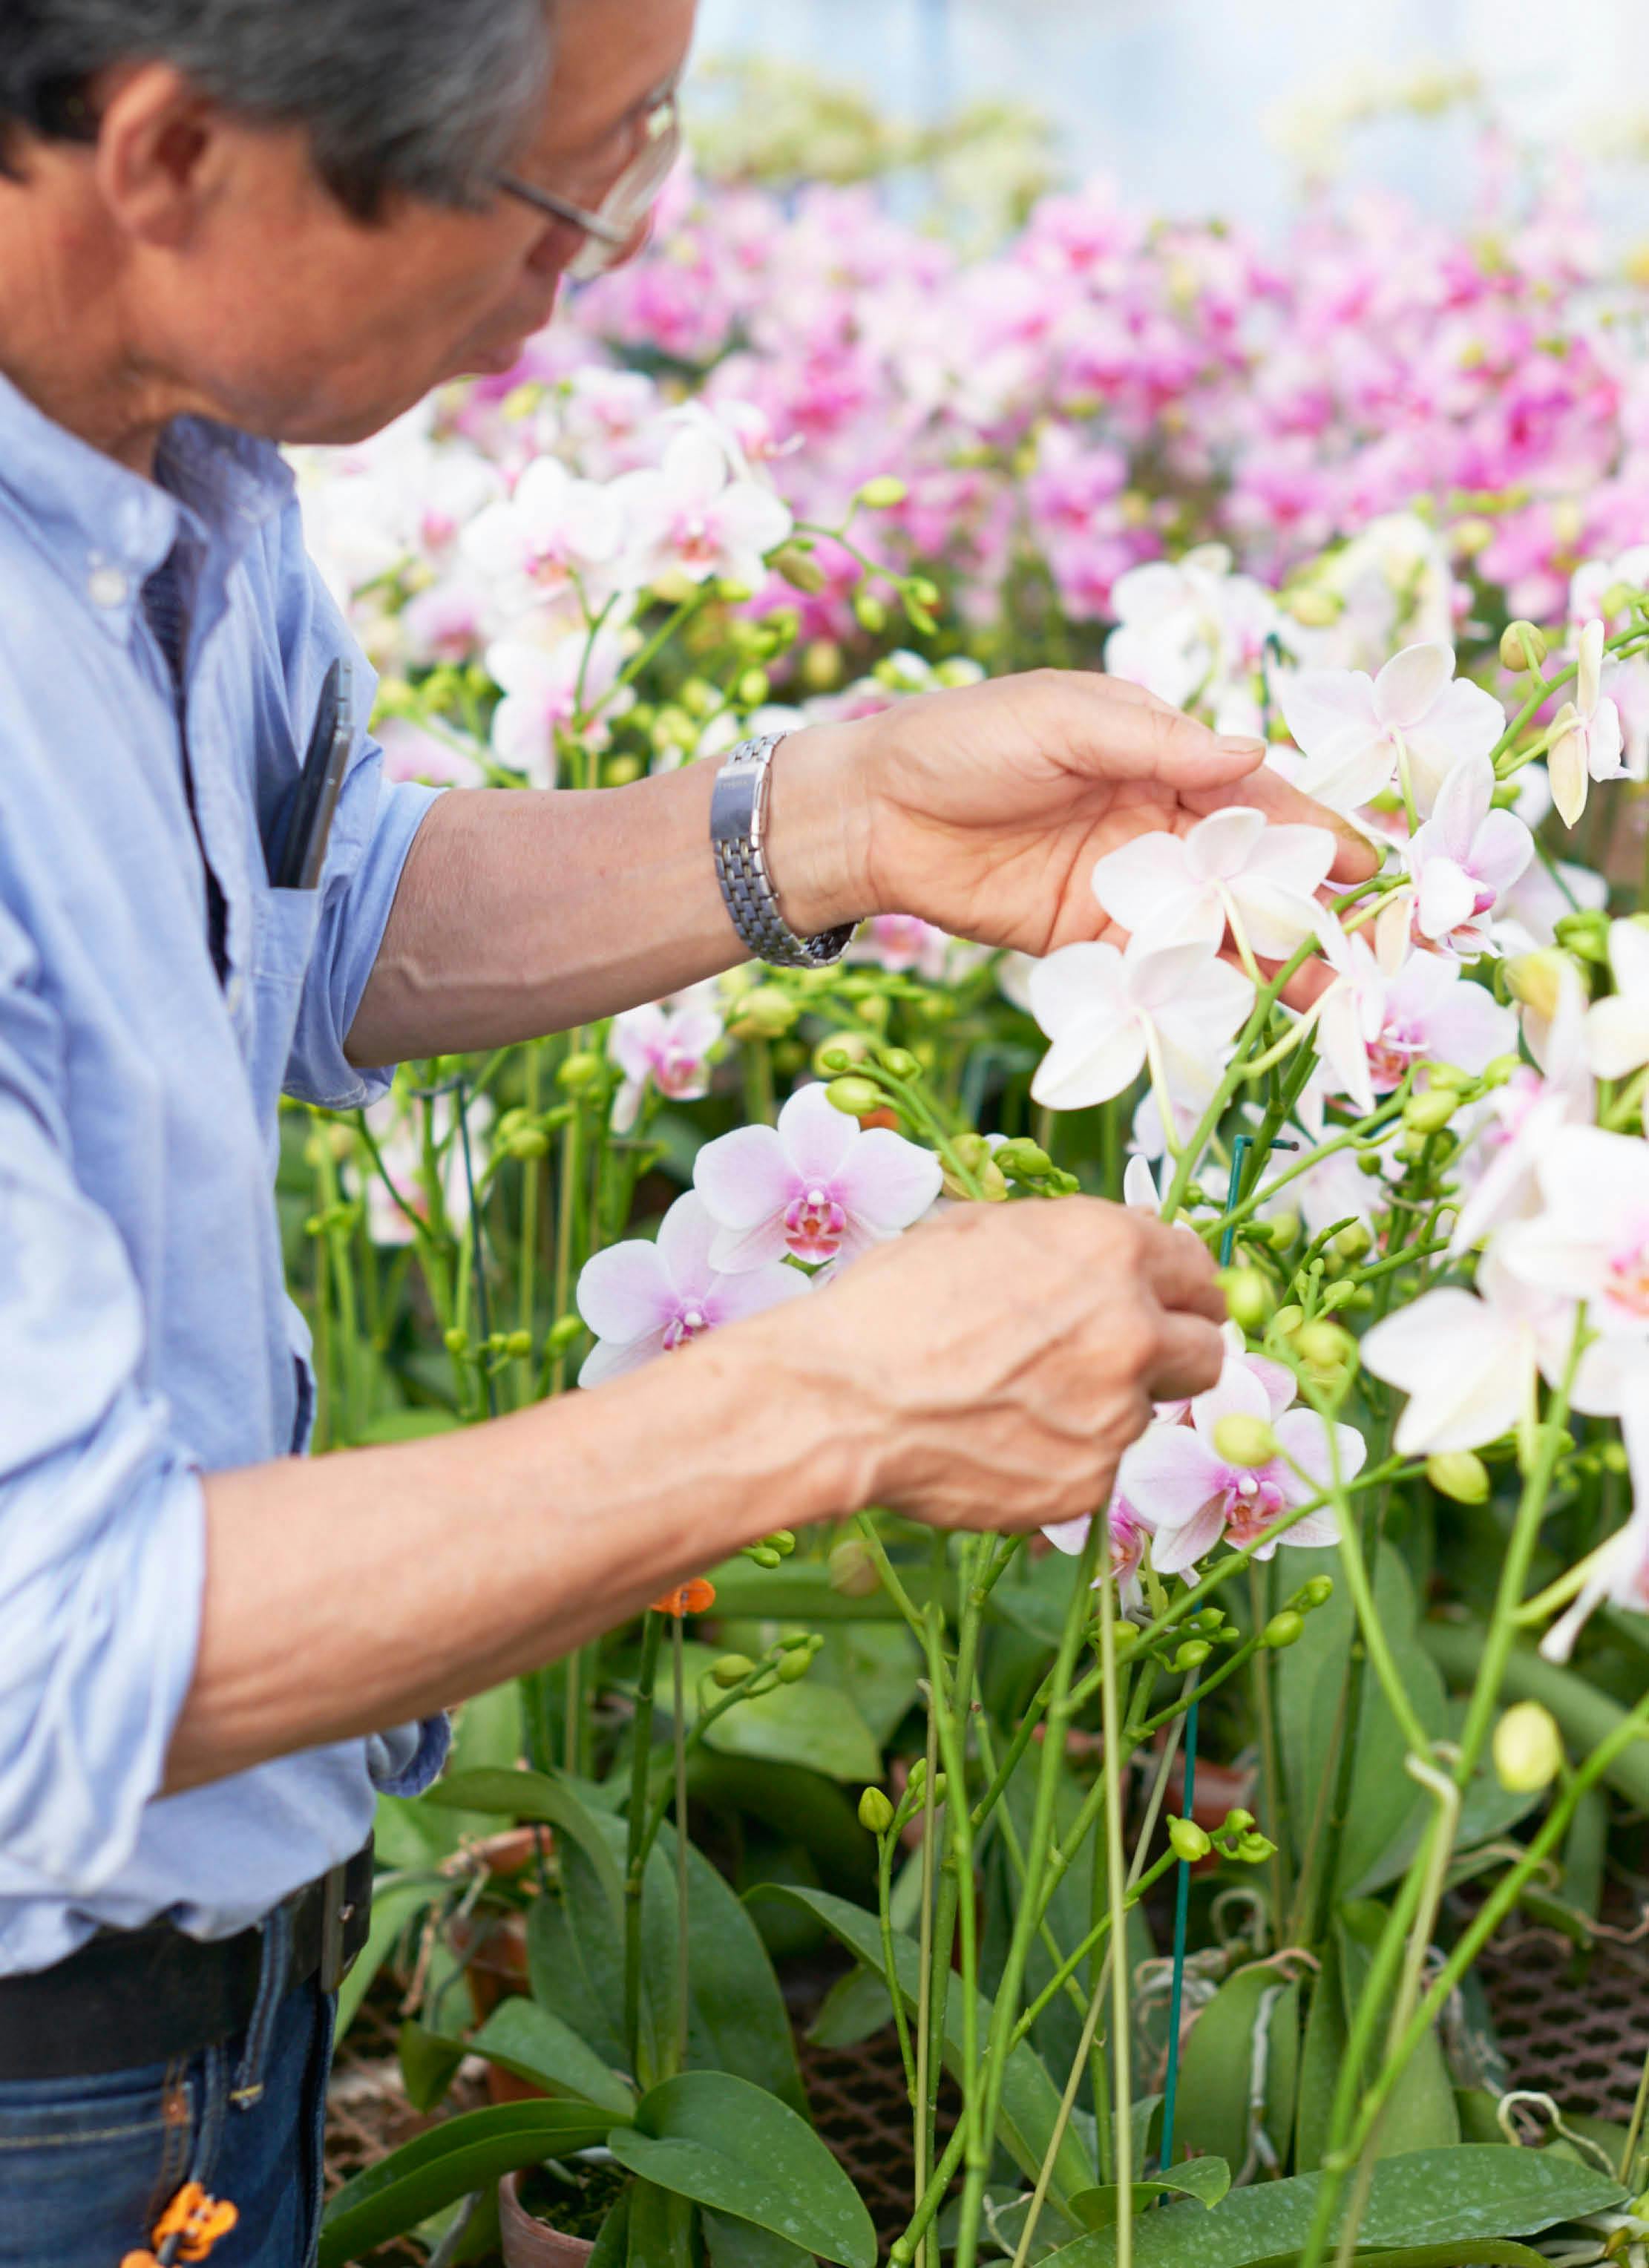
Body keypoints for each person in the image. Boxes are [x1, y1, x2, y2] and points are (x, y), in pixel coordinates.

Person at [0, 1, 1371, 2258]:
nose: (594, 269)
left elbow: (299, 901)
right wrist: (830, 1401)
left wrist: (830, 819)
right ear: (167, 159)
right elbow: (57, 1649)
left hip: (212, 1987)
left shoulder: (157, 461)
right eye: (561, 191)